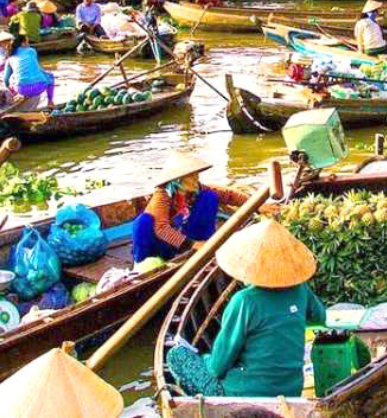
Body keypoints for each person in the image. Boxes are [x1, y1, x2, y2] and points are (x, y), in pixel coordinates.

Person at [167, 219, 324, 399]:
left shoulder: (244, 301)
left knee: (176, 354)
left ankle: (203, 405)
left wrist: (206, 359)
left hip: (242, 394)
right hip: (291, 391)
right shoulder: (300, 290)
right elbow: (319, 316)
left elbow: (217, 368)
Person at [131, 152, 249, 263]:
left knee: (209, 196)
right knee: (143, 221)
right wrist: (193, 244)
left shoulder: (195, 189)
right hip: (161, 244)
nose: (196, 179)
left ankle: (204, 243)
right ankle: (142, 261)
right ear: (178, 180)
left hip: (182, 237)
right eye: (192, 176)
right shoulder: (163, 194)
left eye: (197, 175)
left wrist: (253, 204)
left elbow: (227, 194)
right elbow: (161, 229)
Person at [3, 34, 55, 107]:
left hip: (21, 89)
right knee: (50, 76)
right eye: (27, 42)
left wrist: (12, 90)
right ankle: (50, 102)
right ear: (22, 44)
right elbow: (36, 68)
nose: (29, 44)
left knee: (12, 78)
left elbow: (5, 80)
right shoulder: (31, 51)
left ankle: (18, 94)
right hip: (39, 87)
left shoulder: (10, 58)